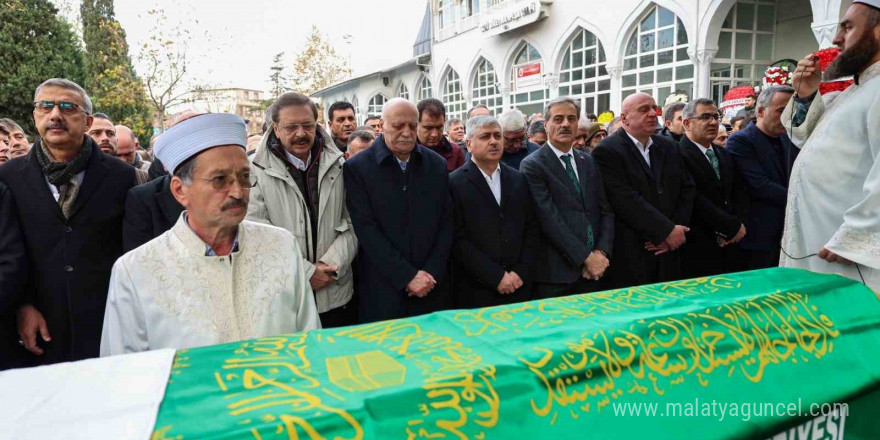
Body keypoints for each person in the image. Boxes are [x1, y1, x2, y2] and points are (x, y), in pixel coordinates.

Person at [100, 113, 319, 355]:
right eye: (219, 180)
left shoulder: (280, 245)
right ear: (180, 190)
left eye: (244, 177)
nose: (238, 192)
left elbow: (309, 338)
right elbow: (125, 369)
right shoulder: (135, 271)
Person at [0, 78, 136, 366]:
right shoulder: (10, 177)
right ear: (35, 116)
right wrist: (22, 305)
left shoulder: (121, 177)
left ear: (87, 122)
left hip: (104, 321)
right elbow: (9, 253)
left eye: (67, 107)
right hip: (38, 327)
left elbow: (130, 252)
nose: (55, 115)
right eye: (45, 106)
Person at [780, 0, 880, 289]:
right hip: (821, 242)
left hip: (848, 257)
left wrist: (854, 237)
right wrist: (806, 95)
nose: (837, 38)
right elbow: (804, 138)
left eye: (848, 27)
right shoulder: (856, 90)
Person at [247, 92, 358, 328]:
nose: (300, 134)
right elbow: (256, 232)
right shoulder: (255, 170)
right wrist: (306, 272)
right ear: (275, 129)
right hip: (286, 298)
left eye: (307, 126)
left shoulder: (339, 165)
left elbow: (353, 223)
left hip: (336, 293)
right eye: (291, 127)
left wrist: (330, 267)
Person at [344, 98, 453, 322]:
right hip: (383, 288)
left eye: (412, 126)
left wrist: (430, 273)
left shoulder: (436, 165)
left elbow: (447, 222)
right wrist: (406, 276)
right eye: (398, 126)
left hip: (432, 286)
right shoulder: (358, 168)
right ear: (382, 125)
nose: (406, 132)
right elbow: (366, 229)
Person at [592, 93, 695, 288]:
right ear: (624, 119)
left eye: (654, 108)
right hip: (635, 252)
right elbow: (625, 200)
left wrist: (676, 230)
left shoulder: (669, 146)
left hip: (671, 250)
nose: (652, 114)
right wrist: (664, 231)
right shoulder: (607, 151)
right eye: (643, 109)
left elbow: (686, 189)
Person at [520, 97, 614, 298]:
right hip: (557, 275)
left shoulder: (587, 160)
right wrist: (586, 258)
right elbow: (549, 219)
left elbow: (605, 210)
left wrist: (602, 253)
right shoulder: (532, 165)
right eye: (558, 119)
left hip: (596, 271)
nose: (565, 124)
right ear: (546, 125)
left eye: (571, 119)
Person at [449, 115, 539, 307]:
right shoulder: (454, 183)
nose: (493, 142)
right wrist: (496, 277)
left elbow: (531, 228)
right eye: (485, 137)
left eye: (498, 136)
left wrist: (519, 273)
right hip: (477, 289)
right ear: (469, 144)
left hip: (519, 286)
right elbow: (457, 238)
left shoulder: (518, 179)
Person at [727, 85, 799, 269]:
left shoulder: (788, 139)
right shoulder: (740, 141)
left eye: (792, 110)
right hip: (756, 236)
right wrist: (802, 198)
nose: (787, 116)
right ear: (760, 111)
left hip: (787, 233)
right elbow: (760, 186)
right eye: (781, 110)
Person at [678, 99, 749, 278]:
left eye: (716, 116)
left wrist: (737, 225)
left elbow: (738, 193)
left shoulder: (723, 154)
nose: (713, 122)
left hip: (731, 243)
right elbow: (694, 198)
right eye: (705, 117)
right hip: (698, 244)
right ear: (687, 123)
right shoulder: (677, 154)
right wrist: (726, 227)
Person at [417, 98, 465, 172]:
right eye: (428, 128)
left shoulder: (455, 152)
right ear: (416, 124)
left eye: (439, 127)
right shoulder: (405, 152)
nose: (434, 134)